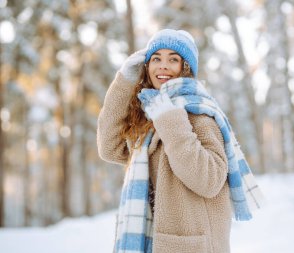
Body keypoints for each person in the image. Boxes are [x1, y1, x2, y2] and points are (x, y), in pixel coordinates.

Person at [97, 29, 263, 253]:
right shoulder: (149, 117)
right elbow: (109, 148)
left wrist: (170, 120)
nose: (162, 65)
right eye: (156, 58)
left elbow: (210, 180)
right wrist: (123, 83)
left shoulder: (200, 115)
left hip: (194, 246)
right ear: (146, 68)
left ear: (186, 68)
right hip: (154, 242)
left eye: (173, 59)